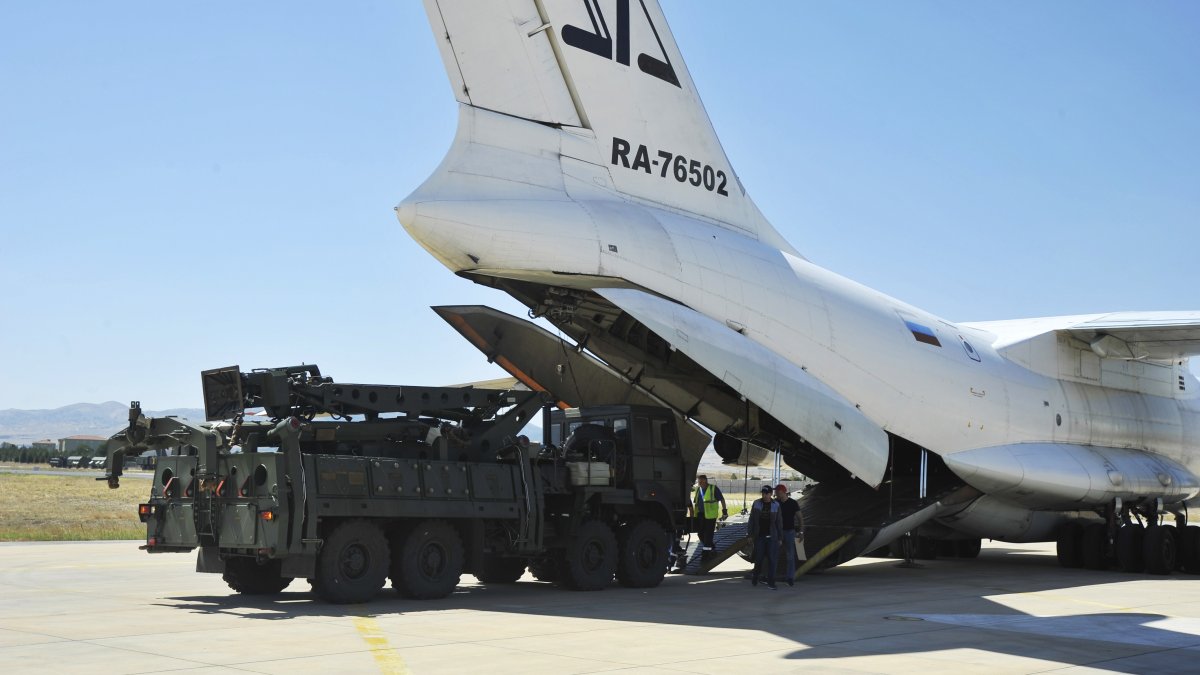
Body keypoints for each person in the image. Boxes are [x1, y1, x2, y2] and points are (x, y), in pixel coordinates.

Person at [748, 484, 783, 589]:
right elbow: (751, 520)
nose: (764, 495)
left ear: (771, 494)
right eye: (763, 493)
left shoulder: (776, 505)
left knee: (772, 559)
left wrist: (780, 537)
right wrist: (750, 535)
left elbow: (779, 522)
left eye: (766, 493)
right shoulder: (756, 503)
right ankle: (755, 575)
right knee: (759, 558)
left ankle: (771, 582)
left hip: (772, 536)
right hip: (760, 536)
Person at [689, 474, 728, 552]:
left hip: (710, 515)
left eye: (700, 481)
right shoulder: (698, 489)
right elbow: (696, 502)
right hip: (700, 514)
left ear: (705, 481)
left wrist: (724, 511)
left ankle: (706, 551)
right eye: (698, 481)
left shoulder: (713, 488)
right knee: (700, 533)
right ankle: (710, 546)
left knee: (708, 533)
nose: (699, 483)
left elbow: (722, 499)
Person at [775, 483, 802, 586]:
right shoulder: (775, 503)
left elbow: (800, 518)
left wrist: (801, 532)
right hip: (778, 532)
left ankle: (790, 577)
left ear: (783, 492)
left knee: (790, 555)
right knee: (774, 554)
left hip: (790, 532)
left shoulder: (793, 503)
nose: (776, 494)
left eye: (777, 492)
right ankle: (772, 575)